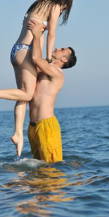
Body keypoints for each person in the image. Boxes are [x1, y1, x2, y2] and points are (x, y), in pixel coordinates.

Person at [0, 0, 73, 157]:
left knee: (20, 95)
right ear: (64, 2)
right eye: (64, 9)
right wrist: (47, 56)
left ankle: (18, 134)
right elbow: (52, 33)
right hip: (25, 53)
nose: (62, 12)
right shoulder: (54, 6)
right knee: (27, 94)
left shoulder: (38, 5)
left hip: (16, 50)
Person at [27, 20, 77, 162]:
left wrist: (36, 34)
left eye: (62, 50)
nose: (58, 48)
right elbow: (33, 58)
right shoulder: (45, 67)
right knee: (38, 169)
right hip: (32, 126)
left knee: (51, 170)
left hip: (47, 125)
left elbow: (36, 58)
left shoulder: (57, 73)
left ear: (63, 59)